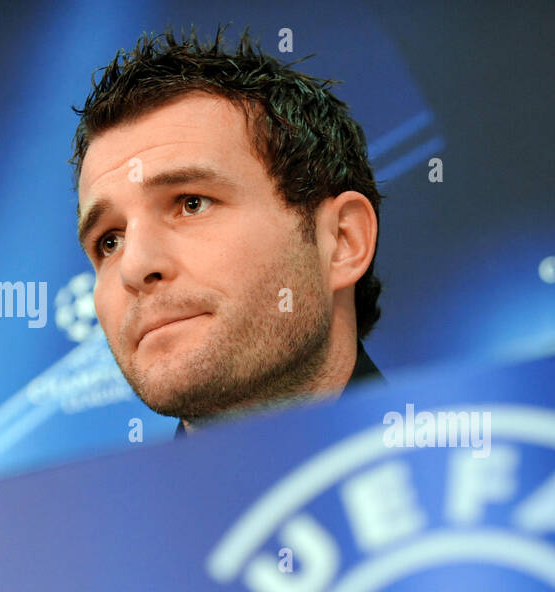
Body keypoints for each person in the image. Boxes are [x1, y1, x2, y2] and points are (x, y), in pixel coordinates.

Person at [70, 25, 386, 438]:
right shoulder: (73, 505)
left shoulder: (474, 486)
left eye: (191, 204)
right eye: (109, 241)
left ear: (342, 241)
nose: (135, 266)